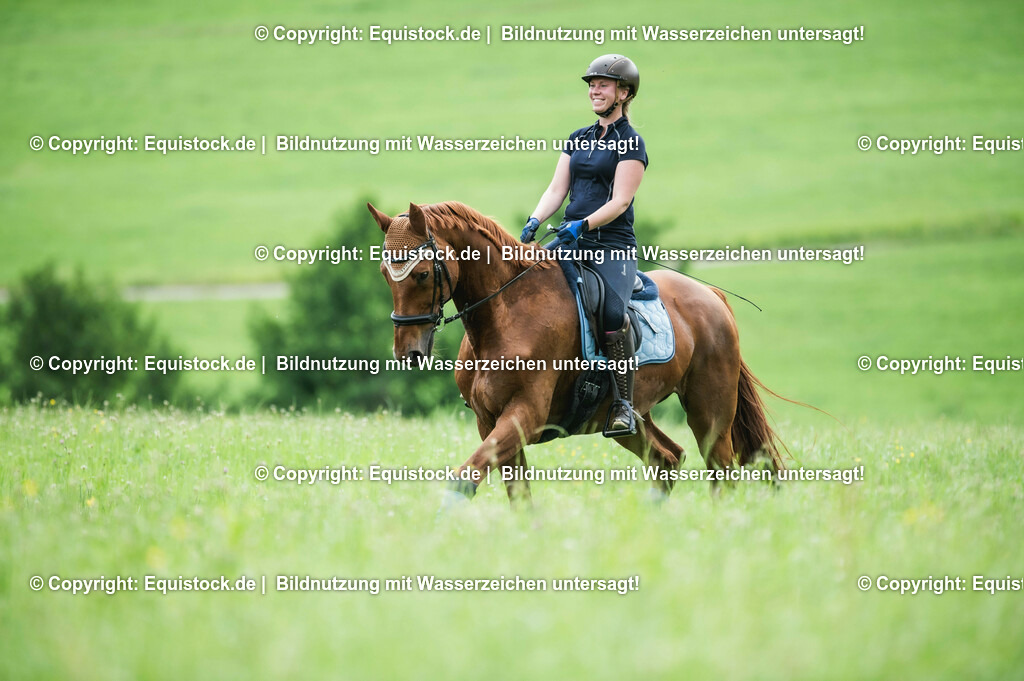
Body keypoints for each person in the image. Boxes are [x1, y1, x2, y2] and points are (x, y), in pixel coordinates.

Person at [520, 54, 648, 437]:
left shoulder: (632, 143)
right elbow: (557, 189)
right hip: (569, 241)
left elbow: (620, 201)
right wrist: (535, 219)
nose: (594, 89)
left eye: (603, 84)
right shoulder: (578, 138)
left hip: (612, 247)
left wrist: (582, 224)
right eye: (591, 84)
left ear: (623, 93)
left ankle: (623, 403)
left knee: (612, 313)